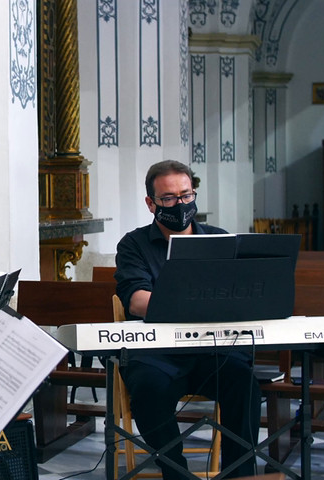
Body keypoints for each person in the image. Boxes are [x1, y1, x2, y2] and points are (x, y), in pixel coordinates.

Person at [113, 160, 261, 480]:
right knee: (147, 388)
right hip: (158, 354)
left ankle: (241, 473)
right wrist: (200, 303)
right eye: (168, 198)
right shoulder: (133, 245)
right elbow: (138, 302)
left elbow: (237, 295)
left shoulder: (220, 240)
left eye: (186, 195)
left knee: (245, 383)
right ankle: (176, 472)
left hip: (214, 350)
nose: (179, 204)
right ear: (151, 203)